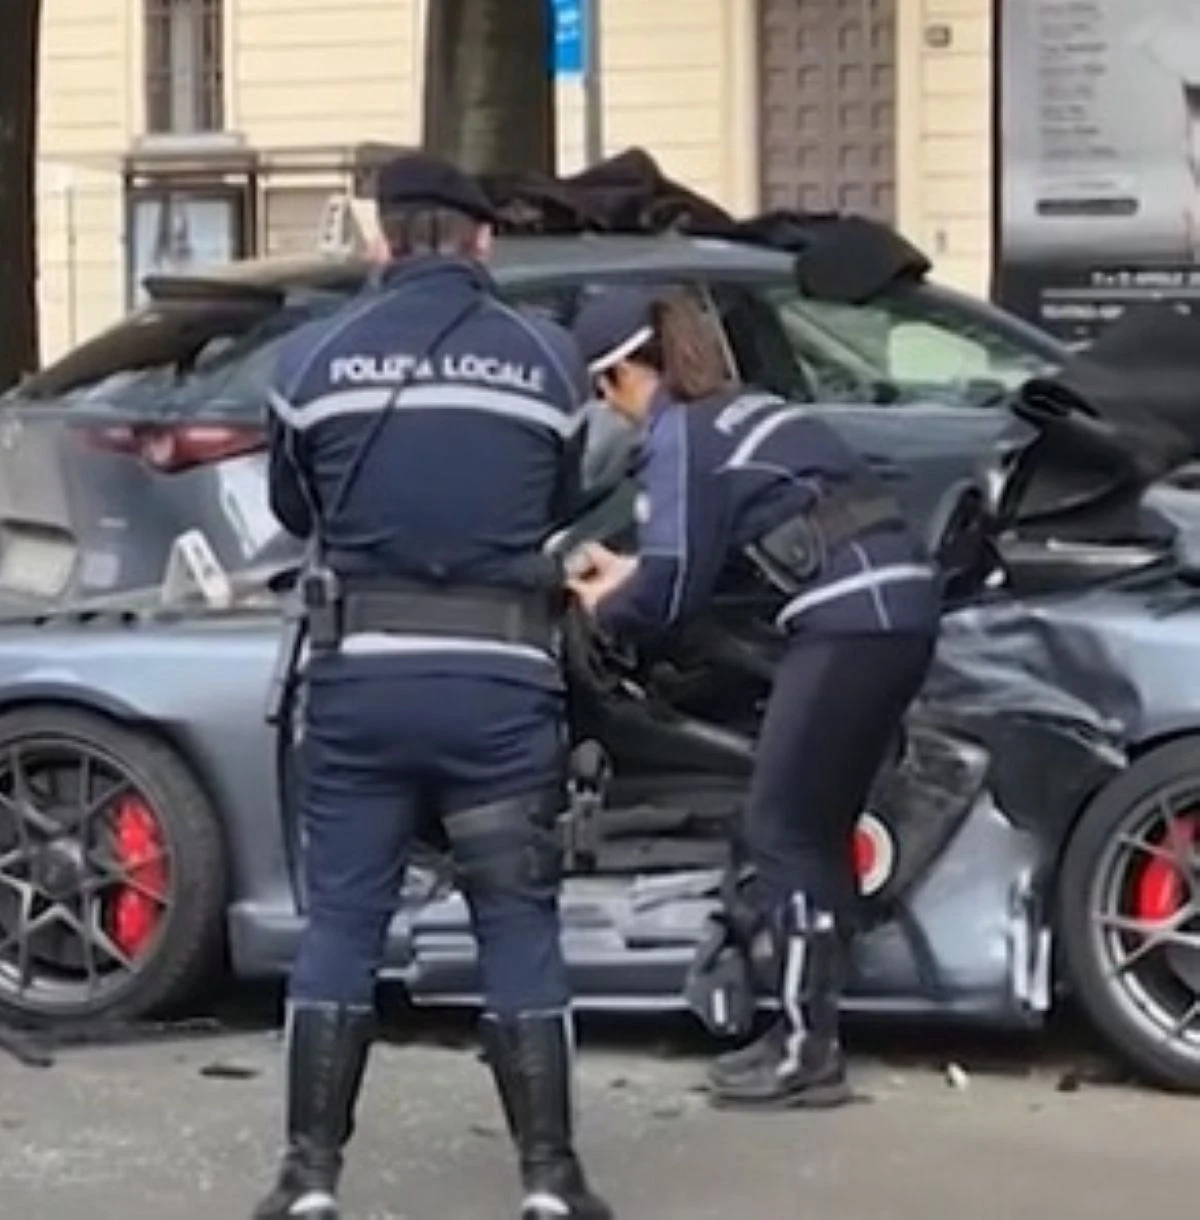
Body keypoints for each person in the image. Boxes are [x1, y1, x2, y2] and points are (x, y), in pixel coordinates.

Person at [254, 152, 612, 1220]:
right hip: (501, 691)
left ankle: (309, 1178)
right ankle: (550, 1179)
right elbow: (559, 498)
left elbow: (292, 507)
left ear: (382, 240)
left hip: (362, 684)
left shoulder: (310, 359)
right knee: (517, 920)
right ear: (482, 241)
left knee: (344, 922)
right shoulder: (551, 362)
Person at [565, 286, 940, 1110]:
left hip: (849, 625)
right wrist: (636, 574)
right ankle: (811, 1037)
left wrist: (601, 601)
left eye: (605, 388)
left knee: (779, 824)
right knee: (817, 826)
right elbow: (713, 551)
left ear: (627, 371)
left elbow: (670, 594)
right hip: (897, 610)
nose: (609, 408)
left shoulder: (681, 437)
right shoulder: (743, 412)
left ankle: (806, 1052)